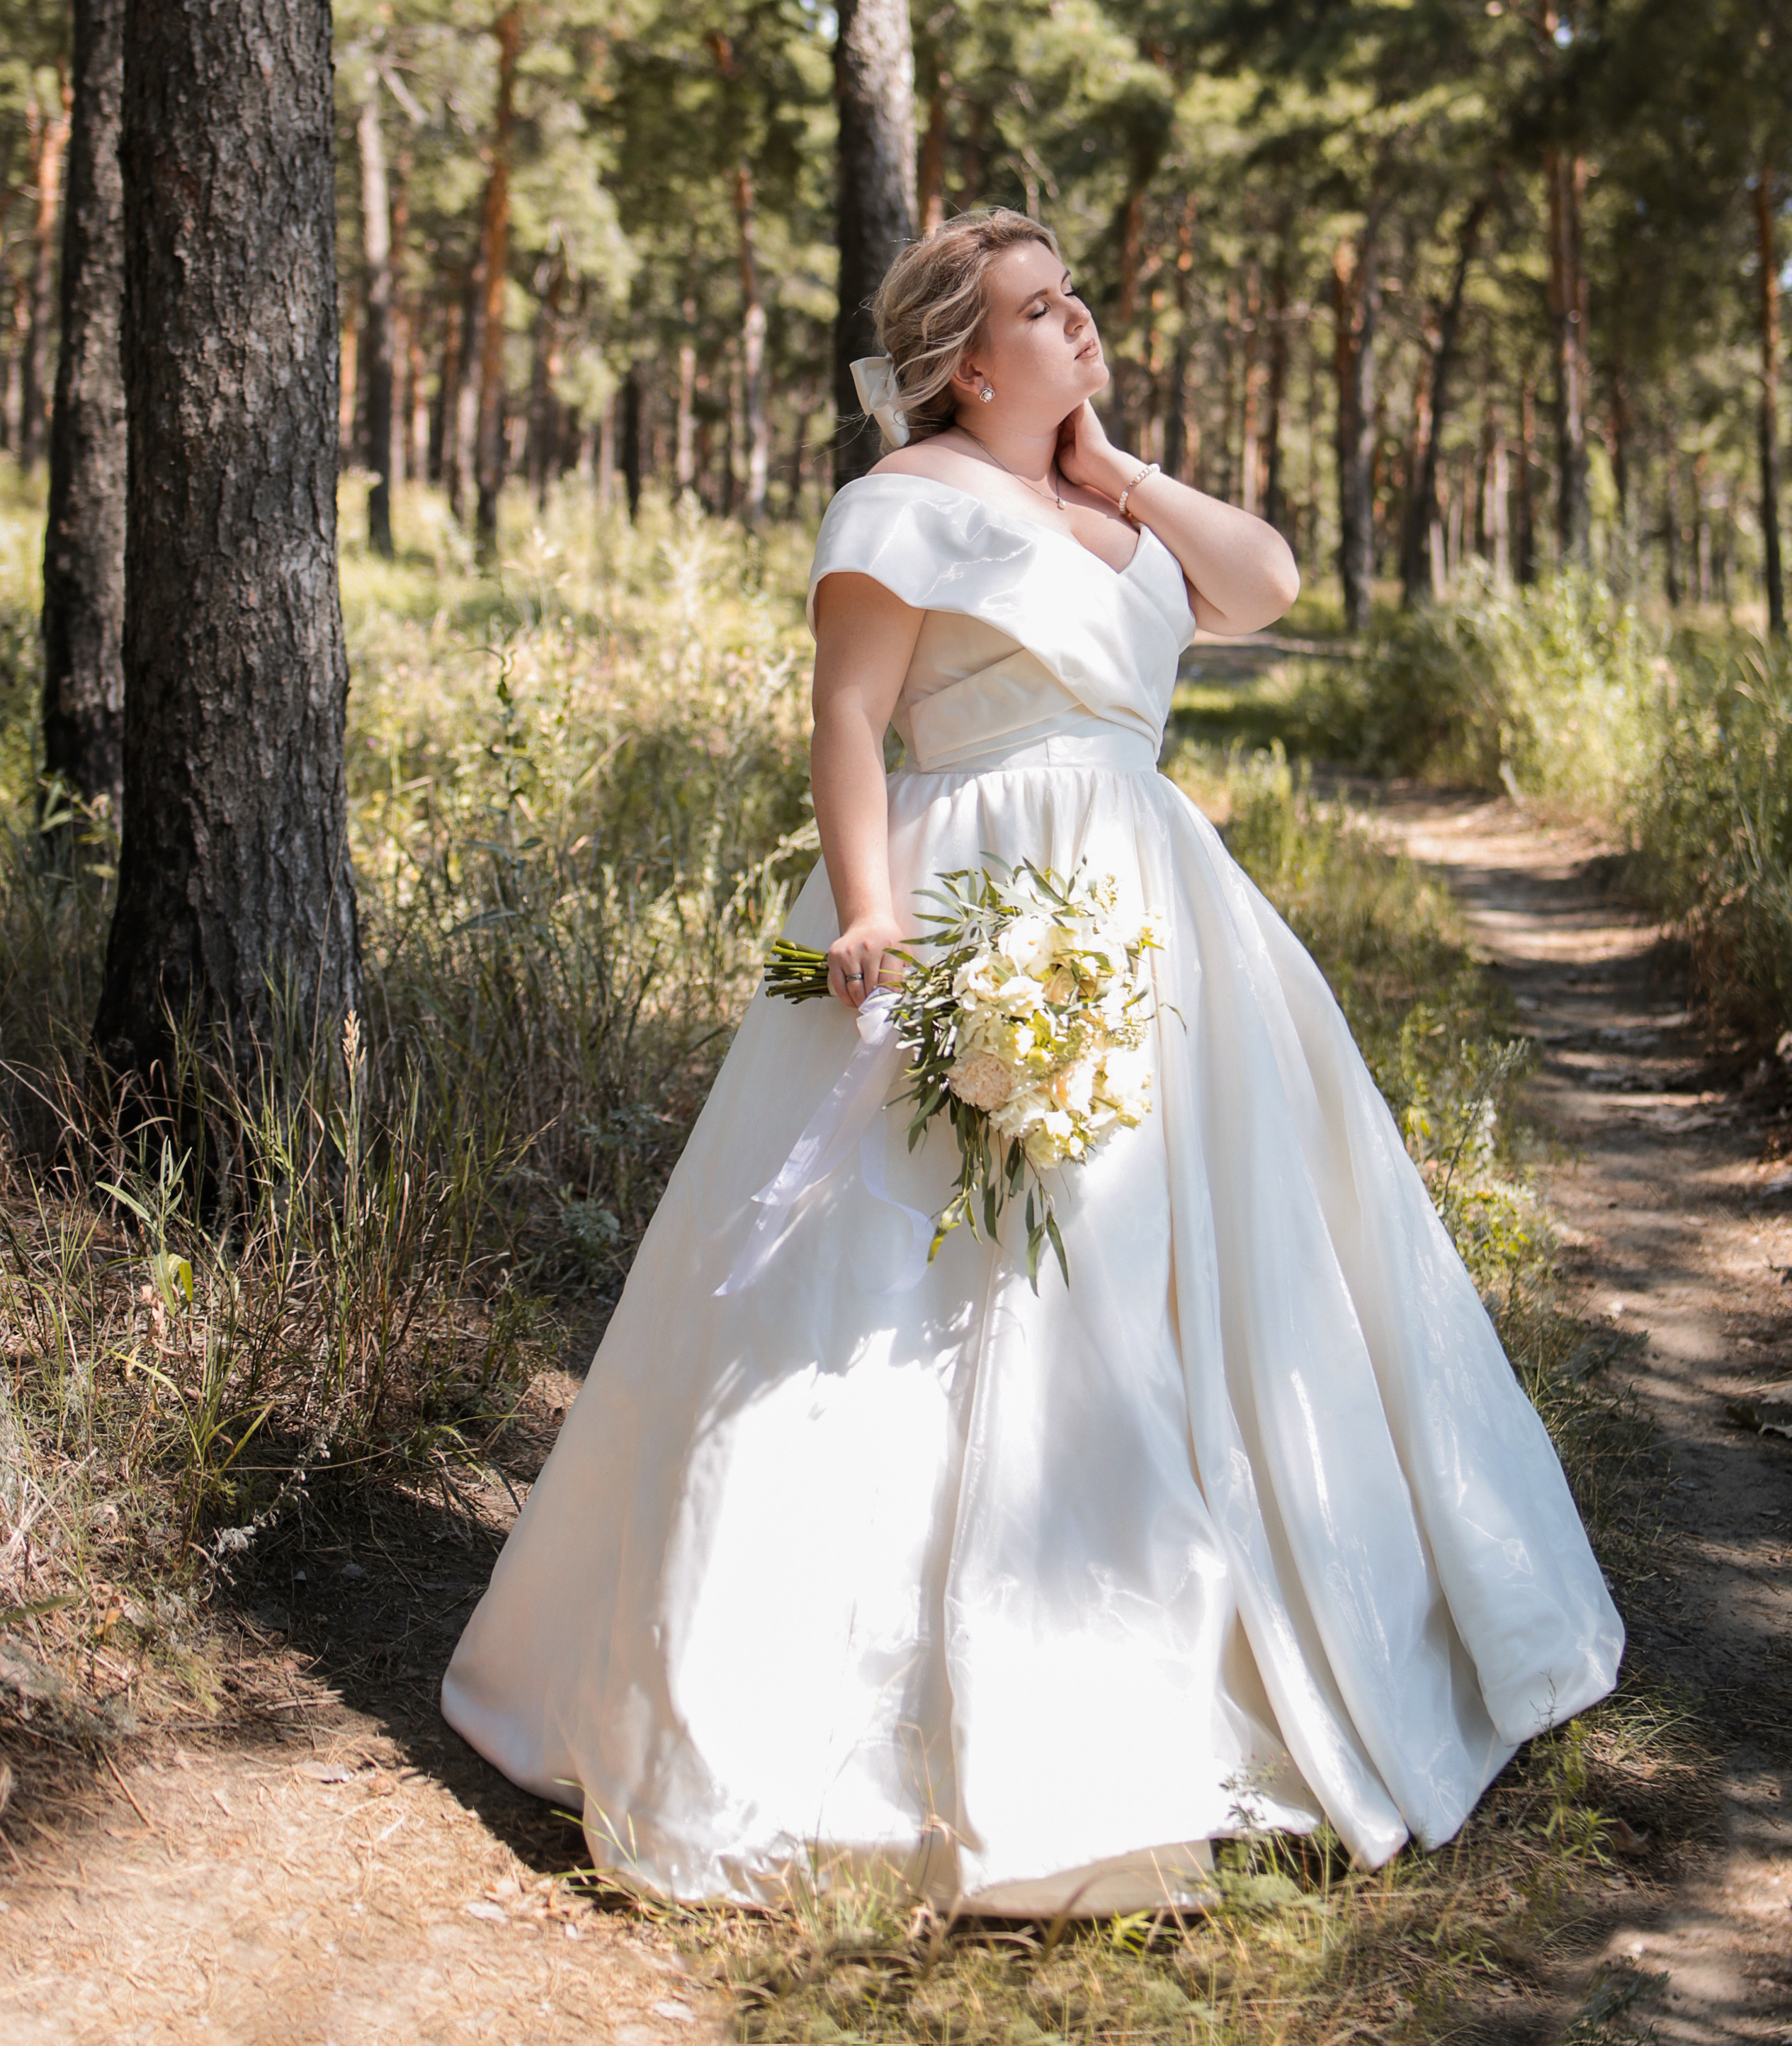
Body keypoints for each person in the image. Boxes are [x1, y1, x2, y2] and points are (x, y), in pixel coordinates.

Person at [442, 208, 1621, 1915]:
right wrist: (868, 917)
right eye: (1037, 311)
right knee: (923, 1288)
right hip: (971, 890)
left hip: (1155, 914)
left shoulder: (1115, 510)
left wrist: (1112, 459)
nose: (1075, 323)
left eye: (1076, 299)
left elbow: (1264, 587)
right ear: (961, 362)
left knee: (1174, 1272)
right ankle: (877, 1726)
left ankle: (1208, 1650)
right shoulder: (897, 506)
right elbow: (849, 716)